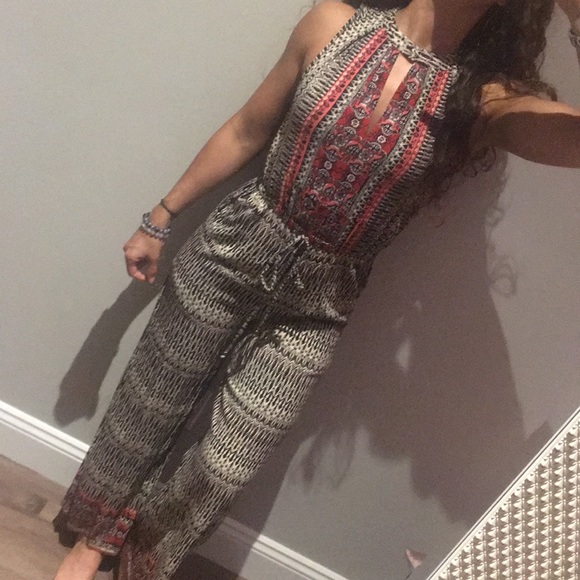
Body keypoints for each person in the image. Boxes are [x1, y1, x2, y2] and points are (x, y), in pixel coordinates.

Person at [53, 0, 580, 578]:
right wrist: (160, 217)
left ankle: (145, 560)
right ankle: (92, 540)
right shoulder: (331, 22)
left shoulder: (484, 100)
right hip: (235, 245)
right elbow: (246, 130)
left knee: (227, 466)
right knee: (149, 402)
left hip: (322, 301)